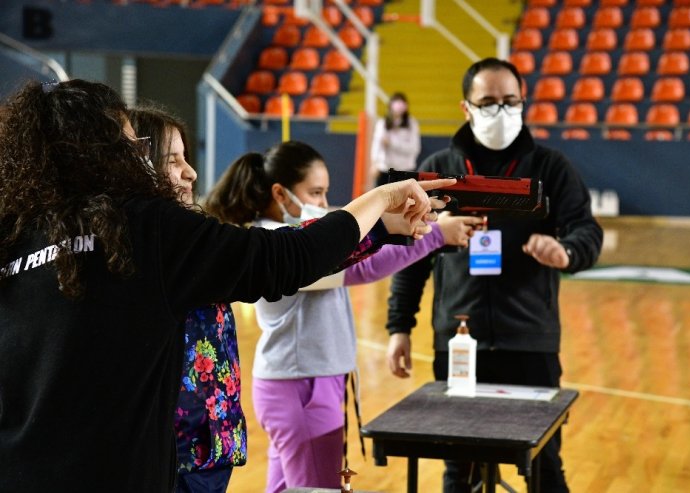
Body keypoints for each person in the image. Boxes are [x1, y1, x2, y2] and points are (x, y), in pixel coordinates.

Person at [0, 79, 454, 493]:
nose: (188, 173)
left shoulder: (15, 237)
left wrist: (376, 226)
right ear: (103, 151)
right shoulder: (145, 228)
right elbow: (286, 258)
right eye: (129, 144)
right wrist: (377, 199)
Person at [204, 141, 483, 493]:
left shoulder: (287, 238)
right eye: (315, 192)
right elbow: (365, 267)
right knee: (316, 490)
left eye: (325, 193)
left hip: (302, 383)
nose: (322, 203)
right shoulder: (279, 242)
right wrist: (437, 235)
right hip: (302, 387)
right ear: (280, 193)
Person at [384, 58, 604, 493]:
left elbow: (587, 231)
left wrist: (567, 251)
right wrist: (398, 327)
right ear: (466, 108)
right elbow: (410, 256)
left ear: (523, 102)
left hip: (530, 341)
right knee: (458, 467)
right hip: (459, 342)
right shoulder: (438, 169)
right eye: (488, 102)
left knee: (543, 463)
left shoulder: (552, 168)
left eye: (510, 101)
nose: (500, 111)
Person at [129, 105, 243, 493]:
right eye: (171, 160)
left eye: (186, 158)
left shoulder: (193, 236)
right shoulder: (145, 248)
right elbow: (288, 254)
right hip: (172, 455)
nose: (190, 172)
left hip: (211, 446)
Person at [370, 91, 421, 188]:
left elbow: (414, 148)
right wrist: (374, 164)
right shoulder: (382, 123)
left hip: (405, 171)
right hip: (385, 170)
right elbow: (377, 145)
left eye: (401, 103)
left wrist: (392, 143)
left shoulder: (412, 124)